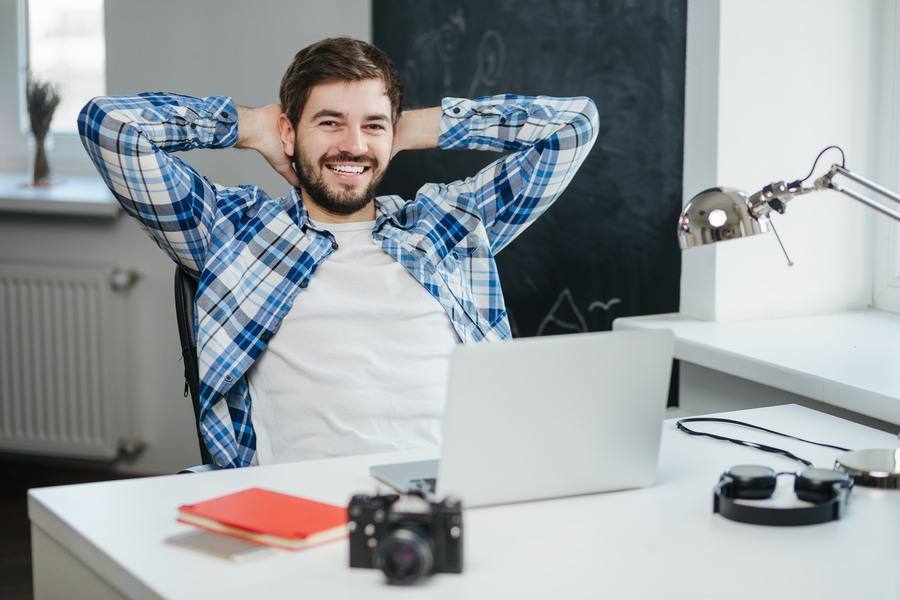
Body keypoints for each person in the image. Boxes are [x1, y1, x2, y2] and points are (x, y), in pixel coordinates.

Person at [78, 36, 598, 468]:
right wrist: (250, 126)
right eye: (329, 122)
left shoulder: (450, 225)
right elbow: (110, 127)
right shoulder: (229, 232)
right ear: (290, 130)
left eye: (372, 124)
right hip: (300, 506)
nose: (353, 145)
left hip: (461, 490)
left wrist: (416, 127)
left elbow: (572, 128)